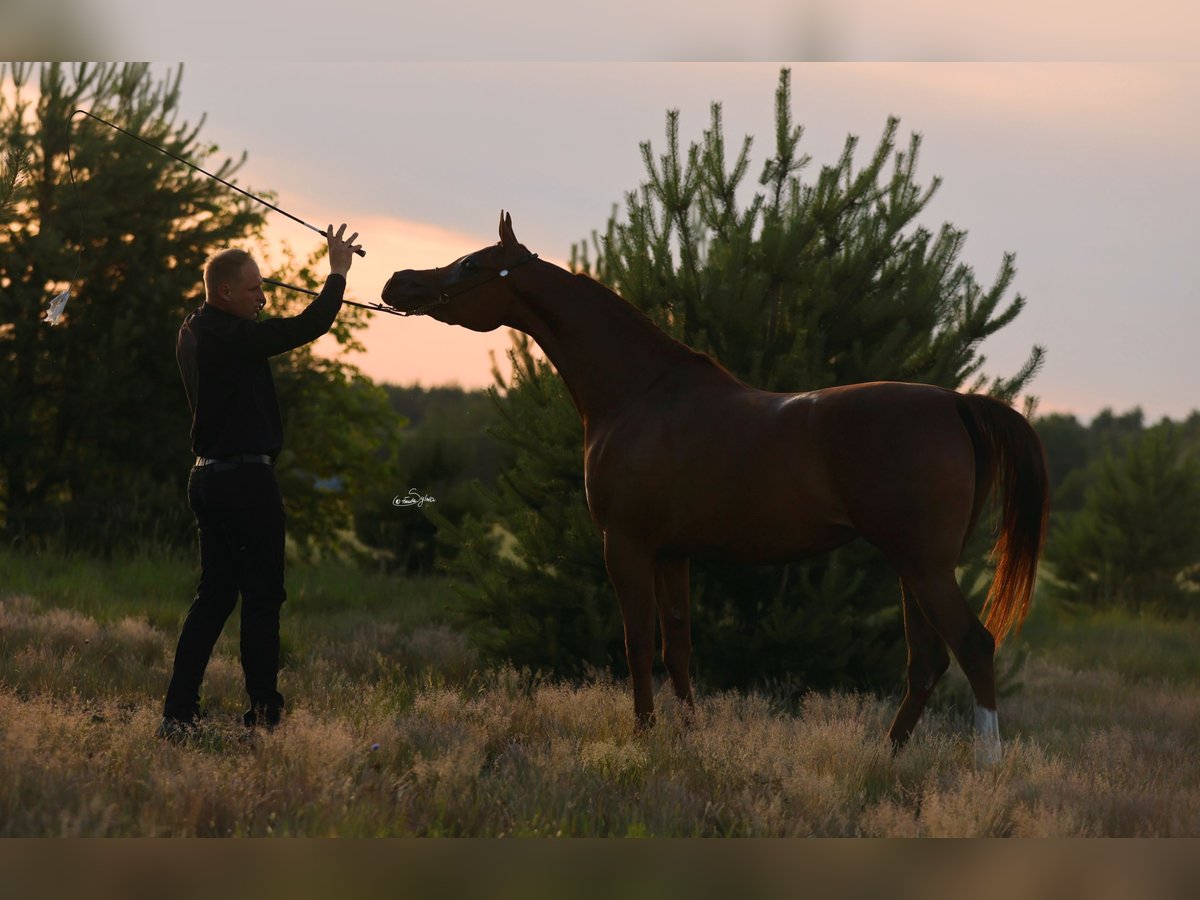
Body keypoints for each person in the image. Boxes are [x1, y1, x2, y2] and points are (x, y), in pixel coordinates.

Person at [159, 224, 362, 740]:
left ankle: (178, 715)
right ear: (224, 293)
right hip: (246, 481)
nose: (263, 297)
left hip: (207, 479)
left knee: (215, 597)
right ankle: (265, 718)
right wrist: (336, 273)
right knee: (263, 596)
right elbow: (305, 327)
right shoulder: (229, 338)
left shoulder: (196, 328)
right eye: (254, 289)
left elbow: (254, 316)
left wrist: (257, 297)